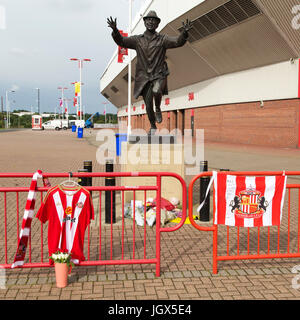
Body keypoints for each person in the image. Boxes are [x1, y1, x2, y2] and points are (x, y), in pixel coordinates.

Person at [107, 11, 193, 135]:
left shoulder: (163, 39)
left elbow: (177, 42)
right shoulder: (137, 40)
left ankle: (158, 107)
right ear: (145, 22)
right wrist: (115, 31)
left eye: (154, 20)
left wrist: (184, 33)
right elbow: (122, 41)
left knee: (157, 91)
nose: (151, 22)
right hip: (144, 77)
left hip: (159, 74)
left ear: (158, 24)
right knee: (148, 105)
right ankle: (153, 126)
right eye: (148, 20)